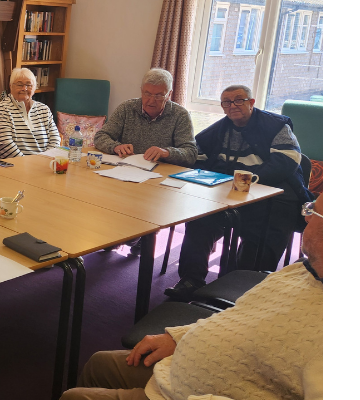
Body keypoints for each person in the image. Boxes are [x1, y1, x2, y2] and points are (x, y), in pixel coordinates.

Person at [60, 194, 322, 400]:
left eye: (314, 212)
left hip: (196, 392)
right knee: (98, 364)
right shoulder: (301, 271)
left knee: (76, 397)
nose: (306, 219)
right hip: (182, 367)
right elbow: (240, 314)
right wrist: (182, 336)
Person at [166, 85, 311, 297]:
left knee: (263, 233)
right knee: (199, 220)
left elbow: (288, 160)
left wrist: (249, 178)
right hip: (228, 193)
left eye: (239, 100)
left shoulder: (276, 126)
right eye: (227, 102)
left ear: (251, 102)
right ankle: (191, 279)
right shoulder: (217, 130)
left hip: (273, 195)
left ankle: (240, 290)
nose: (232, 105)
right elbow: (199, 157)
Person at [92, 68, 197, 167]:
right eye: (147, 94)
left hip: (161, 174)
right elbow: (100, 136)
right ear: (141, 90)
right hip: (126, 168)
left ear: (169, 95)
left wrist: (167, 153)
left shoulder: (180, 115)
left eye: (158, 96)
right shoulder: (126, 108)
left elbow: (191, 154)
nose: (151, 101)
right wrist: (115, 147)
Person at [0, 67, 62, 160]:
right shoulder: (2, 110)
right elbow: (4, 145)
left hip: (40, 164)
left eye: (29, 84)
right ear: (11, 86)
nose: (24, 88)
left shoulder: (44, 109)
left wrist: (45, 160)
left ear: (35, 87)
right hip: (5, 164)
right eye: (19, 85)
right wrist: (28, 165)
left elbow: (55, 139)